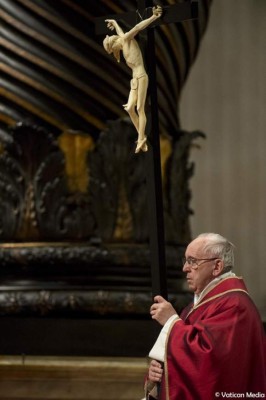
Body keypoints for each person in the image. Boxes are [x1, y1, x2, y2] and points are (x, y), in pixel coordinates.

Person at [144, 233, 266, 400]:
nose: (185, 268)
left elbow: (209, 361)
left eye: (193, 261)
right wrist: (159, 372)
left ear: (217, 267)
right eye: (185, 261)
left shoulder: (235, 306)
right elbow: (182, 356)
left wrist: (171, 321)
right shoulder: (199, 304)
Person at [103, 6, 162, 154]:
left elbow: (137, 27)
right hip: (134, 79)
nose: (115, 51)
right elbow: (119, 32)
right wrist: (115, 23)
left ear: (115, 42)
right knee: (129, 108)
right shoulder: (122, 43)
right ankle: (141, 137)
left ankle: (141, 139)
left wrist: (154, 17)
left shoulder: (126, 39)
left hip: (142, 77)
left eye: (113, 48)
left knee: (139, 109)